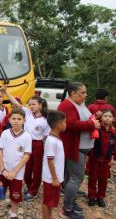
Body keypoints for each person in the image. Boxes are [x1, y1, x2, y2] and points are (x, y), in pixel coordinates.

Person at [57, 82, 100, 219]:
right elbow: (70, 124)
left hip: (82, 147)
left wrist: (94, 117)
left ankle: (70, 199)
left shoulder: (79, 104)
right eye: (83, 92)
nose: (86, 95)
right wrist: (91, 124)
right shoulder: (66, 105)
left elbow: (83, 118)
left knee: (71, 177)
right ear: (73, 93)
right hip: (75, 148)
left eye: (85, 92)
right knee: (77, 177)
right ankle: (67, 209)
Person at [3, 87, 50, 201]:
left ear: (40, 105)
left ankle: (33, 191)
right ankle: (29, 187)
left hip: (38, 145)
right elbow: (16, 103)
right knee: (26, 169)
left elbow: (46, 136)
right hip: (26, 143)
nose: (31, 106)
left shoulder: (45, 120)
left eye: (34, 104)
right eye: (30, 104)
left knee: (37, 169)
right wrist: (6, 93)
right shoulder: (27, 113)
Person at [0, 108, 32, 219]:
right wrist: (2, 169)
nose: (16, 121)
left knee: (15, 194)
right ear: (9, 120)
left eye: (19, 119)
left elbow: (26, 155)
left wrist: (15, 171)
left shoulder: (27, 136)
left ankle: (14, 213)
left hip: (17, 173)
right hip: (2, 171)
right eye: (14, 118)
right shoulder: (5, 134)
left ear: (24, 120)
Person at [87, 109, 116, 207]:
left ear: (113, 119)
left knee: (103, 180)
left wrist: (113, 159)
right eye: (105, 116)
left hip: (106, 161)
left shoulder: (113, 132)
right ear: (101, 117)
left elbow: (115, 146)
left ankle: (100, 197)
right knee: (92, 178)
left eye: (110, 116)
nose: (107, 118)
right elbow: (91, 142)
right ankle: (91, 196)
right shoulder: (97, 129)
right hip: (95, 159)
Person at [42, 111, 66, 219]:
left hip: (55, 177)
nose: (66, 124)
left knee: (51, 201)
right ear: (58, 125)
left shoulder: (56, 138)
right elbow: (50, 160)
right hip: (51, 178)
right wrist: (55, 178)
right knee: (47, 201)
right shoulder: (51, 141)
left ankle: (49, 217)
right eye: (65, 122)